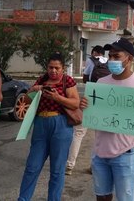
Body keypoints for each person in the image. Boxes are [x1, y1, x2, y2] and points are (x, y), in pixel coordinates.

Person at [80, 38, 134, 201]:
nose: (112, 60)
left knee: (125, 199)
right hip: (100, 153)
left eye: (116, 56)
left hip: (126, 154)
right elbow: (92, 114)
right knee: (101, 197)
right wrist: (85, 105)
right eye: (110, 56)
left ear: (129, 59)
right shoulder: (101, 84)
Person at [18, 53, 80, 201]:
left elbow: (75, 103)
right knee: (32, 167)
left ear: (63, 68)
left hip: (61, 124)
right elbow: (26, 100)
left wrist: (57, 97)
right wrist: (34, 89)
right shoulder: (42, 79)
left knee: (57, 170)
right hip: (41, 124)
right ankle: (23, 198)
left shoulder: (67, 81)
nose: (53, 71)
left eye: (57, 68)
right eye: (50, 67)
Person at [66, 45, 107, 176]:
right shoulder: (109, 62)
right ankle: (94, 166)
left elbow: (85, 78)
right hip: (104, 100)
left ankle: (69, 165)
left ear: (95, 52)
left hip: (90, 98)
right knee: (99, 136)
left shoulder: (91, 61)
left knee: (78, 134)